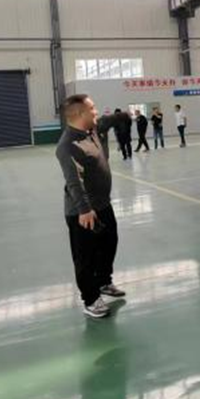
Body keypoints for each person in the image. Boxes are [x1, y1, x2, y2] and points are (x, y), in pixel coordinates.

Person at [56, 94, 126, 319]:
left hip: (103, 204)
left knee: (109, 243)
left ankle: (104, 282)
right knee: (85, 257)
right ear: (80, 114)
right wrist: (84, 210)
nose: (96, 111)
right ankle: (91, 299)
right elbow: (74, 182)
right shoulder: (68, 146)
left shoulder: (92, 130)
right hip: (83, 211)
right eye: (92, 108)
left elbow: (107, 120)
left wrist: (122, 117)